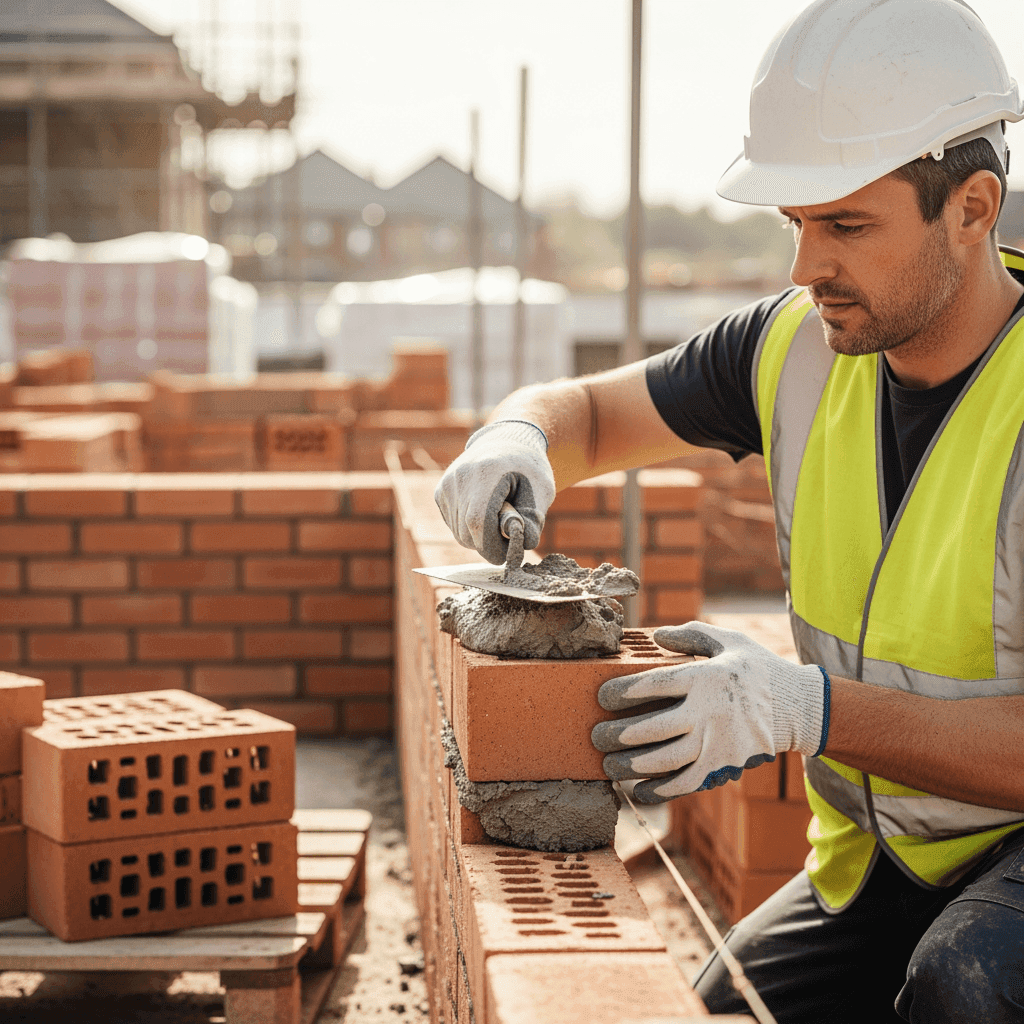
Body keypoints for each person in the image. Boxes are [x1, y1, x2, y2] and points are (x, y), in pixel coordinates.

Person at [434, 1, 1024, 1020]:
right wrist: (515, 437)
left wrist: (806, 709)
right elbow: (585, 413)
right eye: (794, 224)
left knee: (963, 989)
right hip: (881, 856)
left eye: (845, 224)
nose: (805, 269)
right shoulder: (790, 347)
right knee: (723, 1004)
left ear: (972, 206)